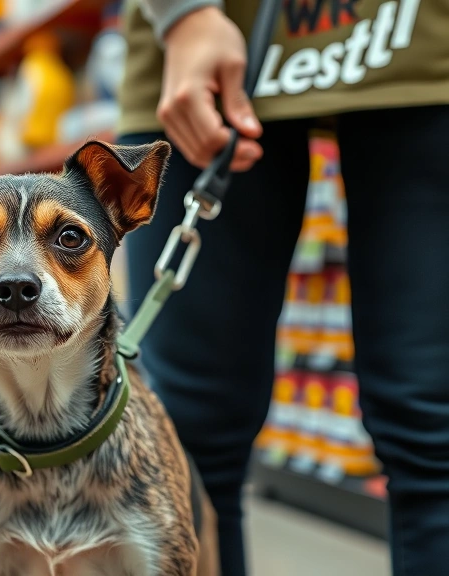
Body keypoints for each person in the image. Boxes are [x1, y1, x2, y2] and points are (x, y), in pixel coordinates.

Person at [116, 1, 449, 575]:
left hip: (425, 43)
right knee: (182, 445)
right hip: (204, 46)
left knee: (435, 430)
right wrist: (182, 13)